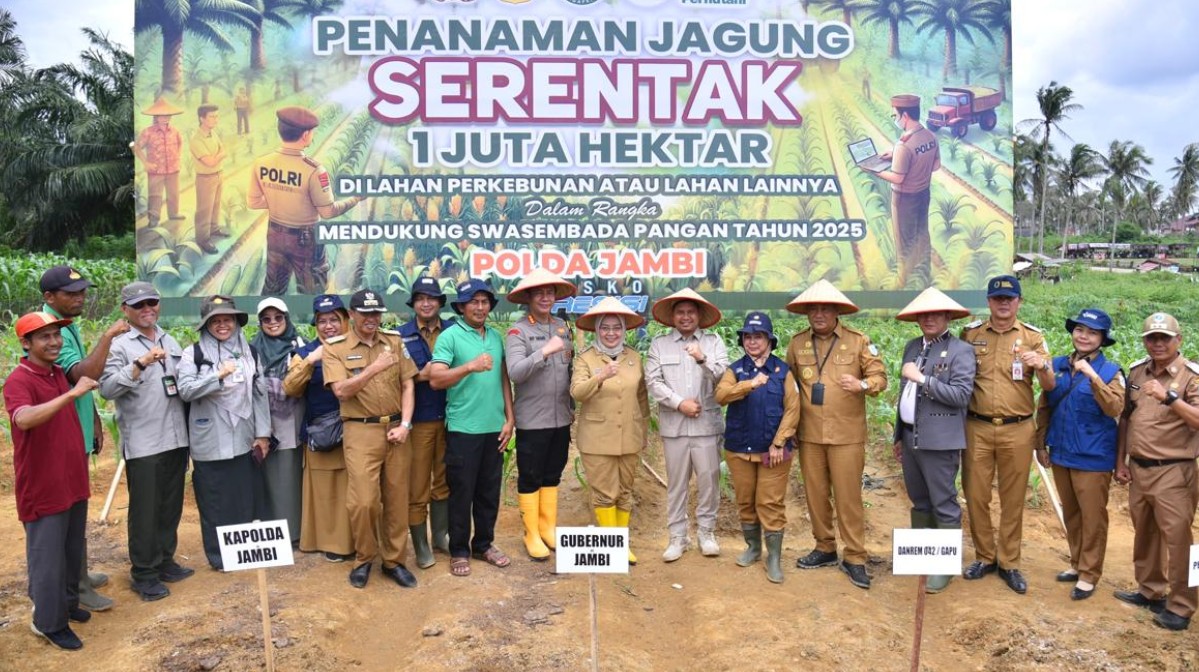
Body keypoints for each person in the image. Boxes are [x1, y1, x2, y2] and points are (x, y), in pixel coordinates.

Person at [783, 279, 887, 589]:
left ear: (836, 311)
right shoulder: (797, 343)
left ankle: (855, 556)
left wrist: (863, 385)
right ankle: (825, 547)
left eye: (825, 308)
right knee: (815, 496)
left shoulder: (858, 341)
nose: (818, 314)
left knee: (848, 497)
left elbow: (879, 376)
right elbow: (788, 385)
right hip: (810, 434)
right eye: (813, 308)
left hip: (846, 435)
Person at [4, 312, 99, 650]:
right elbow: (24, 419)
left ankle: (69, 605)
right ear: (26, 343)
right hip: (43, 486)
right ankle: (49, 622)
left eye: (56, 336)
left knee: (72, 550)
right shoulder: (19, 379)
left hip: (71, 480)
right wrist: (72, 395)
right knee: (47, 558)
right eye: (43, 337)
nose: (54, 342)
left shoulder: (57, 372)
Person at [960, 275, 1054, 595]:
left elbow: (1050, 385)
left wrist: (1041, 365)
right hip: (977, 427)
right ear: (988, 302)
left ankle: (1009, 562)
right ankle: (985, 556)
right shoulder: (970, 334)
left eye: (1009, 298)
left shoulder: (1033, 337)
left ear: (1019, 302)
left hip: (1018, 428)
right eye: (997, 298)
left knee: (1013, 498)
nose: (1003, 303)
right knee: (976, 495)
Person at [98, 282, 192, 602]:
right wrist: (140, 365)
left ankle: (165, 561)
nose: (147, 309)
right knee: (145, 510)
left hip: (176, 437)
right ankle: (144, 573)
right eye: (139, 305)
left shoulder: (171, 339)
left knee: (170, 505)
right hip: (144, 441)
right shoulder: (119, 346)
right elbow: (107, 388)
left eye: (152, 302)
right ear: (125, 309)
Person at [40, 264, 123, 611]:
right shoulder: (49, 330)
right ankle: (76, 586)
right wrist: (107, 338)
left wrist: (94, 422)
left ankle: (80, 575)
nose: (80, 298)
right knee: (70, 513)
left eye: (82, 291)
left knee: (78, 508)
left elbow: (82, 389)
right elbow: (82, 374)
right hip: (61, 439)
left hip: (77, 431)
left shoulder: (66, 326)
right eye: (71, 294)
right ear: (49, 297)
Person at [323, 289, 419, 589]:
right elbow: (341, 391)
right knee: (363, 502)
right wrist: (374, 368)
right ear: (351, 315)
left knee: (396, 499)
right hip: (360, 430)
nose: (371, 319)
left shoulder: (393, 341)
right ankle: (364, 558)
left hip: (396, 430)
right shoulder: (335, 348)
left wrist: (405, 424)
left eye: (376, 313)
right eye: (365, 314)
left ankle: (394, 561)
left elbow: (408, 385)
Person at [1114, 313, 1199, 631]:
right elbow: (1126, 418)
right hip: (1140, 469)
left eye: (1165, 337)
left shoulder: (1191, 377)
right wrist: (1120, 462)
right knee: (1145, 533)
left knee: (1179, 542)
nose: (1158, 343)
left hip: (1175, 471)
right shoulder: (1137, 371)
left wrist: (1171, 398)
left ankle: (1182, 606)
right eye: (1152, 337)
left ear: (1179, 340)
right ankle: (1151, 591)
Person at [1035, 308, 1125, 601]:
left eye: (1092, 332)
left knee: (1092, 517)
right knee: (1071, 513)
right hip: (1061, 452)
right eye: (1079, 330)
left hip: (1093, 456)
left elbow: (1115, 408)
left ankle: (1089, 573)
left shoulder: (1111, 371)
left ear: (1102, 339)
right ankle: (1076, 563)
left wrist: (1092, 376)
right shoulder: (1058, 365)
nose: (1084, 336)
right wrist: (1040, 444)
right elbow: (1045, 405)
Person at [429, 278, 516, 577]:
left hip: (494, 427)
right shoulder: (449, 337)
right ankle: (459, 550)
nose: (480, 307)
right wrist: (469, 366)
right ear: (462, 306)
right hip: (463, 429)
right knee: (462, 491)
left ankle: (484, 544)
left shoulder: (495, 337)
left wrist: (510, 418)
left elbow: (503, 378)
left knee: (489, 490)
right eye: (473, 302)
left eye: (484, 302)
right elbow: (436, 379)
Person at [178, 296, 271, 571]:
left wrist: (263, 434)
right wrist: (217, 376)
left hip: (243, 436)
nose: (222, 325)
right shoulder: (192, 354)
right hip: (210, 438)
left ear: (236, 322)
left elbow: (259, 394)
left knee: (244, 497)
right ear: (206, 325)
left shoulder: (249, 353)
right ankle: (219, 557)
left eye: (227, 319)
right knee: (215, 500)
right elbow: (185, 390)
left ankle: (243, 552)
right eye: (215, 321)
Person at [893, 287, 976, 594]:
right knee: (919, 499)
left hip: (940, 441)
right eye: (923, 314)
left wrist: (923, 379)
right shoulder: (912, 346)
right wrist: (898, 435)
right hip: (911, 437)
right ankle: (924, 560)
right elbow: (904, 396)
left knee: (944, 503)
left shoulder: (960, 351)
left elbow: (961, 396)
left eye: (935, 314)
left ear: (947, 316)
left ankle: (944, 567)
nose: (929, 318)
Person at [715, 312, 800, 584]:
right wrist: (749, 384)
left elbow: (793, 408)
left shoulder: (782, 371)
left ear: (769, 340)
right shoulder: (735, 370)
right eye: (748, 337)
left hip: (772, 451)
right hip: (739, 448)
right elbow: (721, 396)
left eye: (758, 336)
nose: (752, 342)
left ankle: (773, 557)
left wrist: (779, 442)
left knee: (770, 502)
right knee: (746, 500)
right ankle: (753, 548)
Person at [645, 287, 729, 562]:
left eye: (690, 312)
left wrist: (701, 358)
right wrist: (679, 402)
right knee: (677, 484)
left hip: (707, 425)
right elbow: (653, 381)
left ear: (699, 316)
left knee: (708, 481)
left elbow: (722, 378)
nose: (685, 317)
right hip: (675, 426)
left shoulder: (713, 342)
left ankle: (706, 533)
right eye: (680, 312)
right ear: (673, 317)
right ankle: (677, 537)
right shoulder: (660, 344)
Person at [247, 106, 364, 295]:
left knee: (272, 291)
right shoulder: (314, 170)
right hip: (306, 239)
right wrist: (355, 199)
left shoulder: (262, 163)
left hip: (275, 233)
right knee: (314, 294)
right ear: (305, 135)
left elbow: (253, 202)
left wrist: (282, 201)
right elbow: (327, 212)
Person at [505, 268, 577, 561]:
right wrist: (544, 352)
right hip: (533, 420)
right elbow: (515, 372)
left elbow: (570, 371)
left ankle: (548, 529)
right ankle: (530, 533)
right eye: (539, 293)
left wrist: (572, 409)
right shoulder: (518, 331)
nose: (545, 297)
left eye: (550, 293)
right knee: (531, 476)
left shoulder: (563, 327)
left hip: (560, 418)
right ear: (529, 298)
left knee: (553, 473)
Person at [571, 297, 650, 565]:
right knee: (605, 492)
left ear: (624, 329)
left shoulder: (634, 357)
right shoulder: (585, 359)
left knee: (625, 491)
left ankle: (621, 542)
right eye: (605, 328)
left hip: (629, 435)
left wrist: (643, 432)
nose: (611, 333)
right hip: (597, 438)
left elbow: (642, 398)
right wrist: (600, 376)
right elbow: (577, 393)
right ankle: (612, 548)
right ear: (596, 329)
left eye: (617, 327)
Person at [284, 295, 353, 563]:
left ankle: (360, 540)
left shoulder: (356, 346)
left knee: (357, 490)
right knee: (326, 493)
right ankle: (331, 542)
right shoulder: (305, 353)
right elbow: (289, 387)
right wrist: (312, 359)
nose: (328, 326)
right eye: (322, 321)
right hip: (323, 434)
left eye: (334, 320)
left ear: (345, 321)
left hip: (358, 431)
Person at [398, 277, 454, 568]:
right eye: (420, 298)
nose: (426, 303)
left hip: (450, 417)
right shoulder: (401, 335)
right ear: (414, 303)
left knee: (443, 481)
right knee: (418, 484)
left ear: (440, 302)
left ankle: (440, 536)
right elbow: (397, 377)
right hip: (418, 421)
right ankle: (419, 544)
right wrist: (424, 374)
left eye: (432, 298)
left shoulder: (454, 330)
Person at [252, 298, 306, 541]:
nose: (272, 323)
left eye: (278, 317)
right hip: (264, 426)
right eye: (266, 319)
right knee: (270, 480)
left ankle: (294, 533)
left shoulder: (299, 344)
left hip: (294, 423)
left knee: (292, 478)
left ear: (286, 318)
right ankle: (274, 534)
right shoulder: (252, 349)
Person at [875, 93, 940, 286]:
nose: (895, 119)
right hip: (923, 194)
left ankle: (903, 281)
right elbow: (935, 165)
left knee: (903, 240)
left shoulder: (904, 145)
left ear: (905, 116)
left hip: (904, 199)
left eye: (895, 115)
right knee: (922, 233)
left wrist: (873, 170)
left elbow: (897, 178)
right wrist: (896, 155)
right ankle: (924, 272)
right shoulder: (929, 136)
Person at [133, 97, 186, 228]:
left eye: (167, 115)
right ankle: (154, 219)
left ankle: (173, 213)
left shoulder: (175, 131)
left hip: (173, 169)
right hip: (156, 170)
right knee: (155, 195)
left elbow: (180, 143)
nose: (165, 118)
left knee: (173, 193)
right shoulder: (148, 132)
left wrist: (177, 157)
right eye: (162, 115)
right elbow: (136, 147)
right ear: (156, 117)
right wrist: (146, 163)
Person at [190, 104, 227, 254]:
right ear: (202, 118)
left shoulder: (213, 134)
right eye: (212, 116)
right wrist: (219, 156)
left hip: (218, 174)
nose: (216, 119)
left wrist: (217, 156)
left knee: (216, 205)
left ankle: (214, 229)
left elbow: (224, 149)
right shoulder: (196, 139)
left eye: (217, 116)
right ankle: (203, 239)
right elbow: (210, 162)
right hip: (205, 178)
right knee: (204, 210)